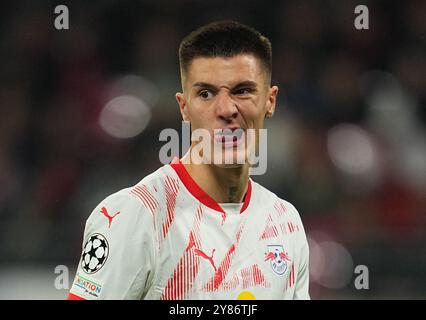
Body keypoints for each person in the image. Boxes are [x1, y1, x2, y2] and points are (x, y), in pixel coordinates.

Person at [67, 20, 310, 300]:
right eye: (205, 94)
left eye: (242, 90)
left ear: (270, 101)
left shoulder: (284, 221)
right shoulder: (138, 215)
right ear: (184, 107)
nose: (226, 109)